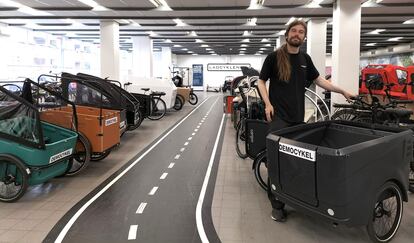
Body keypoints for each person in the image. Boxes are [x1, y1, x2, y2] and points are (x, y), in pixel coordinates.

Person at [257, 20, 355, 222]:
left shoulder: (305, 59)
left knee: (297, 162)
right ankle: (276, 205)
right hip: (279, 119)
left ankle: (292, 194)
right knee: (277, 163)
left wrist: (342, 90)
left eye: (301, 32)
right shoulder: (274, 57)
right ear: (287, 34)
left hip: (298, 119)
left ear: (304, 37)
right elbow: (261, 80)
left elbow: (320, 80)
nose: (297, 34)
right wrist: (267, 103)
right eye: (294, 31)